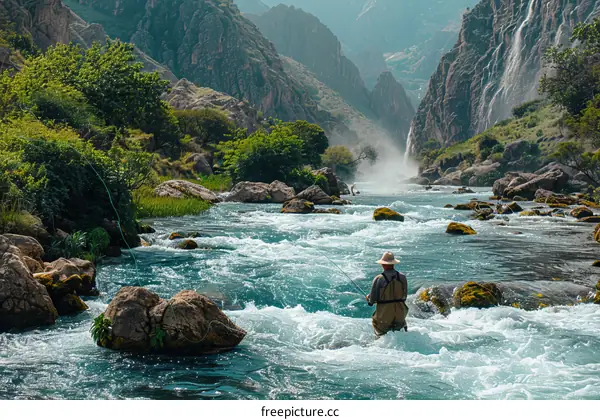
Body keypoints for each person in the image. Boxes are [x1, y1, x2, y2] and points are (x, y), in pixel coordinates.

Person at [366, 252, 409, 336]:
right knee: (401, 332)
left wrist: (368, 298)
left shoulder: (379, 278)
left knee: (380, 332)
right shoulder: (402, 277)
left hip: (385, 311)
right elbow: (404, 296)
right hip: (400, 310)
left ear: (383, 264)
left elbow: (372, 300)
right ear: (393, 264)